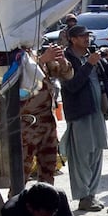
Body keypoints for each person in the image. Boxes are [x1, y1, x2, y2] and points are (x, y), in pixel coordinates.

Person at [55, 25, 107, 211]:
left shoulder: (92, 55)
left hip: (97, 111)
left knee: (96, 153)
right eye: (83, 36)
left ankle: (91, 195)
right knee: (81, 156)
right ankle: (84, 196)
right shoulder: (66, 59)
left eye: (88, 35)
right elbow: (72, 86)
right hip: (79, 113)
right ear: (73, 39)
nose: (87, 39)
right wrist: (89, 65)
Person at [21, 44, 64, 182]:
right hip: (28, 123)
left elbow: (67, 74)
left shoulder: (34, 53)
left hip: (47, 121)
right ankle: (15, 202)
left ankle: (45, 202)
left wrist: (60, 59)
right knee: (22, 172)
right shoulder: (14, 55)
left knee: (48, 170)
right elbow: (23, 79)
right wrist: (42, 60)